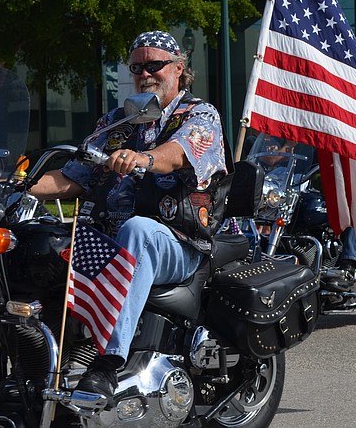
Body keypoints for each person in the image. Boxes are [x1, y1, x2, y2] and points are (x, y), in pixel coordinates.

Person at [29, 30, 227, 401]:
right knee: (31, 242)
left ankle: (107, 363)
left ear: (179, 69)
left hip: (178, 242)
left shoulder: (200, 114)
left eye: (155, 65)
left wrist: (144, 159)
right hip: (108, 237)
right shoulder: (118, 122)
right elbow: (73, 176)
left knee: (137, 229)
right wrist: (16, 184)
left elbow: (179, 153)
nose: (145, 73)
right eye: (137, 67)